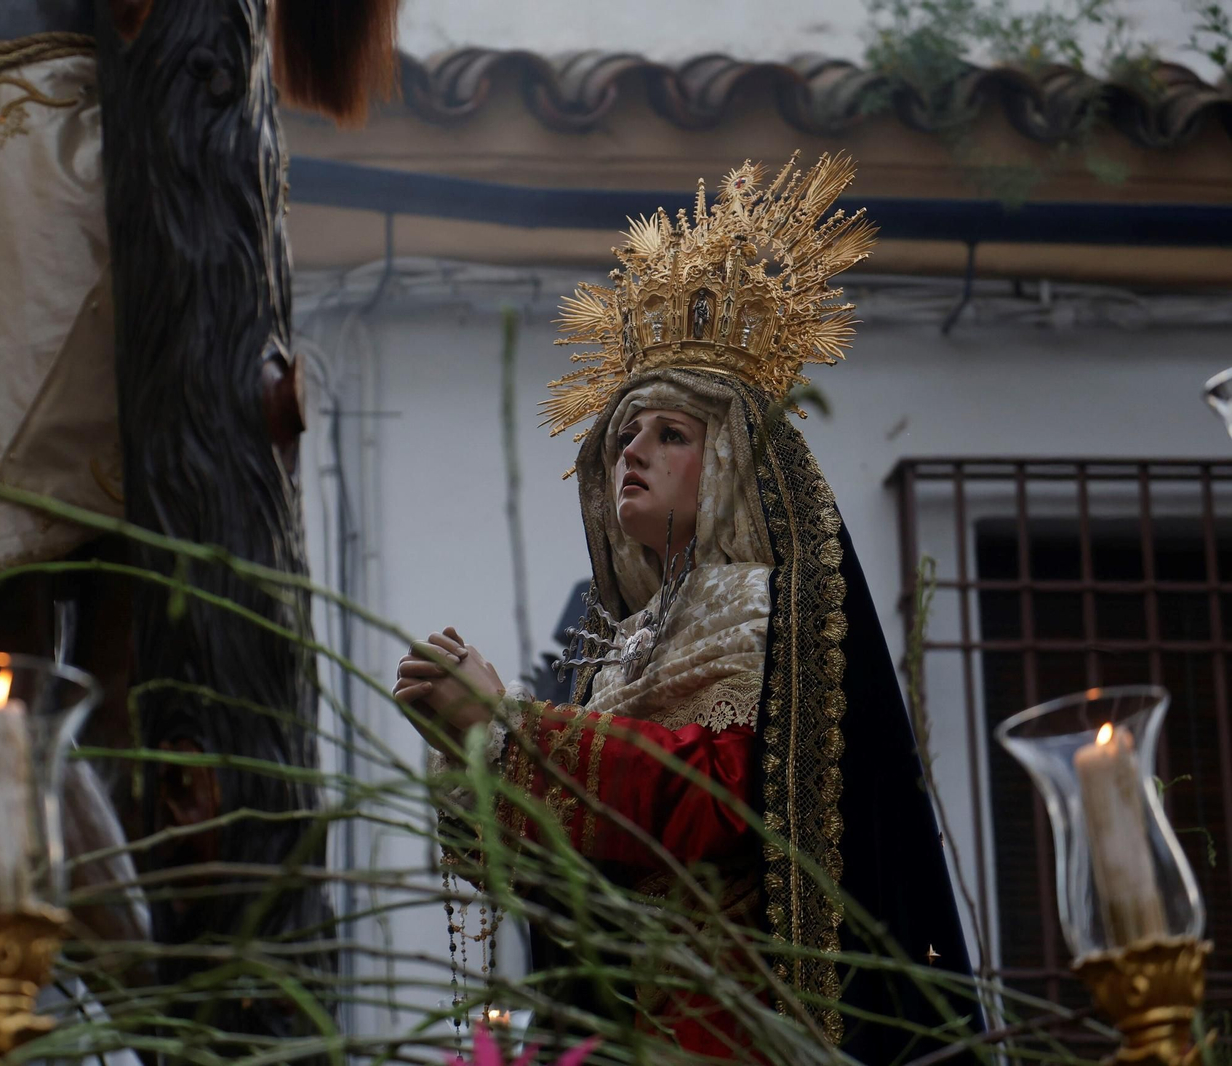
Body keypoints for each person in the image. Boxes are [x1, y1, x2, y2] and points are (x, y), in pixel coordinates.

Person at [395, 153, 975, 1062]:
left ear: (733, 465)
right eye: (625, 434)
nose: (631, 451)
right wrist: (473, 754)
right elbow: (571, 870)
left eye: (671, 434)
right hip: (631, 1018)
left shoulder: (751, 605)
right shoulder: (616, 646)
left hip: (735, 1018)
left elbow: (715, 799)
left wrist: (509, 731)